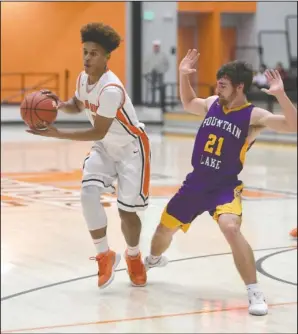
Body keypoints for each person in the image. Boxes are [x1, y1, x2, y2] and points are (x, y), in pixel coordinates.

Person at [144, 49, 297, 316]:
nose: (218, 88)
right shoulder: (213, 102)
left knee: (231, 228)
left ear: (240, 87)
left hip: (224, 187)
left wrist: (281, 95)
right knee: (161, 234)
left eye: (224, 85)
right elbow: (189, 102)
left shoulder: (253, 116)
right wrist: (183, 76)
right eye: (218, 83)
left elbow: (291, 125)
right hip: (195, 183)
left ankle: (254, 291)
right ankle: (154, 260)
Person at [27, 23, 150, 289]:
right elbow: (77, 104)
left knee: (127, 212)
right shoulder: (84, 79)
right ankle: (105, 255)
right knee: (87, 194)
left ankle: (133, 256)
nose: (87, 58)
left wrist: (56, 134)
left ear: (107, 57)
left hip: (130, 149)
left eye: (94, 53)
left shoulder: (111, 90)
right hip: (104, 147)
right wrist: (58, 105)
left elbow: (97, 130)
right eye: (85, 52)